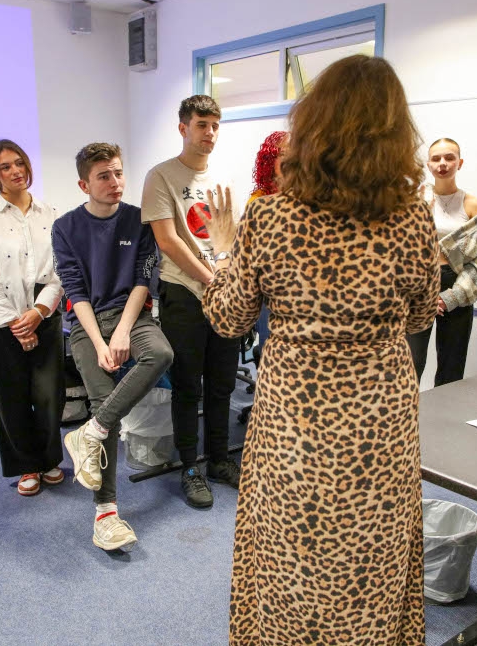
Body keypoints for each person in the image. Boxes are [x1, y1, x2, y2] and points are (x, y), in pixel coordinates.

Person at [197, 55, 440, 645]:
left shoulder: (271, 216)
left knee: (292, 547)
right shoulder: (411, 220)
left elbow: (229, 319)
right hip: (379, 418)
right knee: (371, 550)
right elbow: (421, 313)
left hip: (293, 418)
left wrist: (225, 250)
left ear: (313, 126)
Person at [53, 142, 173, 552]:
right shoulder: (65, 227)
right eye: (104, 176)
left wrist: (122, 333)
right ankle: (105, 514)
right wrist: (101, 340)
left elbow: (144, 279)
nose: (115, 182)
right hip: (87, 325)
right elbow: (74, 291)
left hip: (133, 316)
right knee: (105, 400)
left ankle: (91, 430)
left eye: (119, 173)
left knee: (161, 354)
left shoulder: (140, 220)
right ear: (84, 183)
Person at [140, 95, 242, 509]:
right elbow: (168, 240)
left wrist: (230, 281)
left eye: (215, 125)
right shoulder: (161, 175)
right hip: (184, 292)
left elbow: (232, 238)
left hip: (225, 294)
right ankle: (189, 467)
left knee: (222, 383)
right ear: (183, 127)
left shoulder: (224, 178)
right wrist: (212, 277)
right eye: (202, 124)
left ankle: (218, 459)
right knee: (188, 386)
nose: (210, 133)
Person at [0, 139, 65, 497]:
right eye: (6, 166)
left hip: (45, 315)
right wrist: (15, 323)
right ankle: (26, 465)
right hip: (0, 322)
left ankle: (51, 459)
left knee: (49, 393)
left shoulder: (50, 213)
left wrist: (39, 312)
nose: (15, 171)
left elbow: (61, 270)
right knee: (12, 397)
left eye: (19, 163)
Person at [406, 138, 477, 387]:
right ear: (428, 165)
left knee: (452, 365)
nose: (443, 163)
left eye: (449, 157)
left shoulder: (471, 203)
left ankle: (445, 421)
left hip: (457, 284)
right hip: (419, 287)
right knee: (411, 362)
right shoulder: (414, 199)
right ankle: (408, 421)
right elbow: (403, 250)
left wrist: (449, 298)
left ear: (459, 163)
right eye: (436, 158)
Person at [246, 130, 288, 353]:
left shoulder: (306, 196)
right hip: (270, 290)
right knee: (271, 347)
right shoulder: (259, 200)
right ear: (272, 158)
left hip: (300, 291)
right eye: (284, 153)